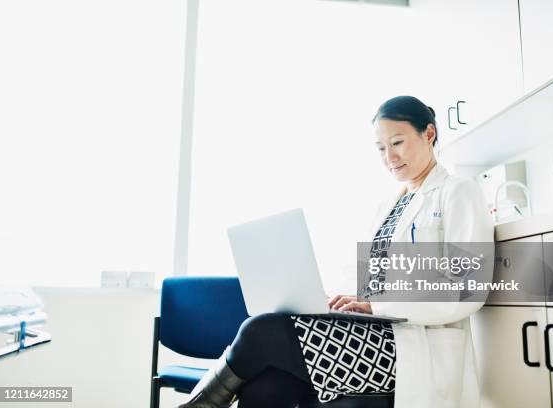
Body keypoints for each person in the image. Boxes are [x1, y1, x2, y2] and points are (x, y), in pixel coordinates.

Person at [178, 96, 494, 408]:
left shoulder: (458, 192)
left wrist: (375, 305)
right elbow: (363, 279)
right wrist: (327, 299)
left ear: (428, 134)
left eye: (397, 143)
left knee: (259, 331)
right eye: (381, 149)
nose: (390, 157)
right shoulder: (388, 206)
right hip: (374, 335)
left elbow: (466, 289)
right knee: (268, 383)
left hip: (414, 348)